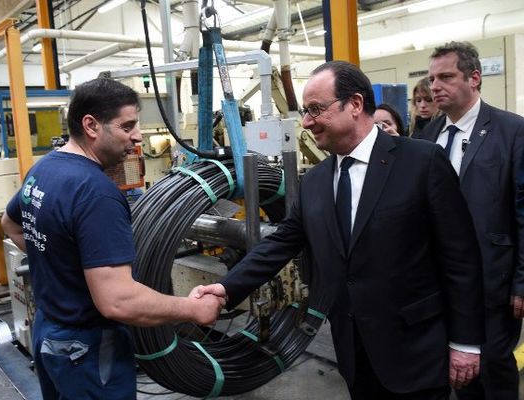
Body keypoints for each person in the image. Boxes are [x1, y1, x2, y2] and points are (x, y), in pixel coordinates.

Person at [193, 60, 485, 399]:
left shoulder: (422, 162)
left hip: (415, 351)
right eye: (305, 111)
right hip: (353, 352)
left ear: (356, 105)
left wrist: (465, 343)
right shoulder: (315, 181)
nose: (306, 122)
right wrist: (225, 290)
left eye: (316, 109)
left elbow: (460, 258)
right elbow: (282, 243)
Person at [1, 78, 224, 400]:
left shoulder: (44, 169)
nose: (138, 136)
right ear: (91, 125)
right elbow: (118, 300)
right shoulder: (96, 193)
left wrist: (64, 266)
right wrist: (192, 310)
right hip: (88, 348)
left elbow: (11, 224)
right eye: (128, 126)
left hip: (49, 335)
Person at [417, 41, 524, 400]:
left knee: (493, 369)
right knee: (461, 372)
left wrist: (522, 281)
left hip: (494, 279)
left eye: (446, 76)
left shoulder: (512, 132)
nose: (435, 87)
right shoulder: (427, 136)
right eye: (432, 79)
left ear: (474, 78)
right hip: (442, 281)